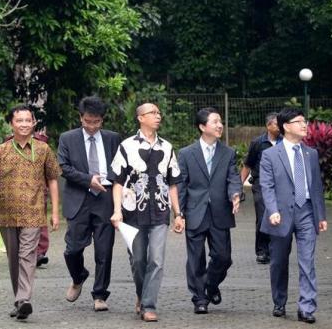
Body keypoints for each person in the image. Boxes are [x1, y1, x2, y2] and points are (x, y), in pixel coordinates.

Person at [0, 105, 61, 321]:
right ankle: (19, 300)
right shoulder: (1, 150)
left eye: (27, 120)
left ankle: (24, 299)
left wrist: (54, 212)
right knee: (13, 259)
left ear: (34, 123)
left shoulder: (43, 150)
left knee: (27, 256)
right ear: (12, 124)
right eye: (19, 120)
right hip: (6, 215)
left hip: (33, 214)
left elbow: (53, 179)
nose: (24, 124)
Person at [110, 103, 183, 322]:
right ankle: (141, 295)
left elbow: (173, 183)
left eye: (159, 113)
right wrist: (116, 211)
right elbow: (117, 182)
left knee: (157, 260)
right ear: (140, 118)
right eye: (152, 113)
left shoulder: (167, 147)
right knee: (138, 259)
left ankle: (149, 305)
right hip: (132, 213)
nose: (157, 116)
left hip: (160, 211)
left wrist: (178, 214)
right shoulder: (126, 146)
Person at [259, 107, 328, 324]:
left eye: (304, 121)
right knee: (279, 262)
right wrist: (272, 211)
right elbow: (266, 186)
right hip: (280, 214)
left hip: (307, 212)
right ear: (286, 126)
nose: (304, 125)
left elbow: (316, 186)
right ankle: (279, 301)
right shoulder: (270, 154)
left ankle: (306, 307)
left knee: (307, 260)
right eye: (299, 121)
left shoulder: (311, 153)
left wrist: (321, 216)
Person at [58, 96, 121, 312]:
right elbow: (64, 167)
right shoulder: (68, 138)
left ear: (102, 120)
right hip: (79, 198)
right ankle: (79, 276)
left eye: (96, 122)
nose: (92, 126)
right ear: (80, 118)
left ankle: (100, 294)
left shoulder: (113, 138)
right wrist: (88, 180)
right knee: (72, 249)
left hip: (105, 198)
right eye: (87, 121)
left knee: (104, 251)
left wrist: (108, 180)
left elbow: (120, 165)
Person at [177, 107, 242, 314]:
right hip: (195, 212)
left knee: (223, 257)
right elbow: (181, 185)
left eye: (220, 121)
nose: (220, 125)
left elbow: (233, 177)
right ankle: (200, 299)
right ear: (202, 126)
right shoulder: (186, 154)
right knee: (195, 259)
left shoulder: (228, 152)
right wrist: (179, 213)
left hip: (220, 212)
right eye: (215, 121)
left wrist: (235, 194)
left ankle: (211, 285)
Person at [4, 130, 51, 267]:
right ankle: (23, 251)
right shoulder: (8, 142)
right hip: (16, 190)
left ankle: (38, 253)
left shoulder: (41, 141)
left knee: (39, 221)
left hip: (38, 189)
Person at [240, 112, 282, 265]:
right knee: (263, 216)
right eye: (277, 124)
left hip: (280, 186)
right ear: (268, 126)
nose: (280, 126)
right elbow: (248, 165)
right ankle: (262, 251)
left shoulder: (284, 142)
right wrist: (240, 186)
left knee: (279, 217)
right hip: (260, 184)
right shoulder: (258, 143)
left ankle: (275, 250)